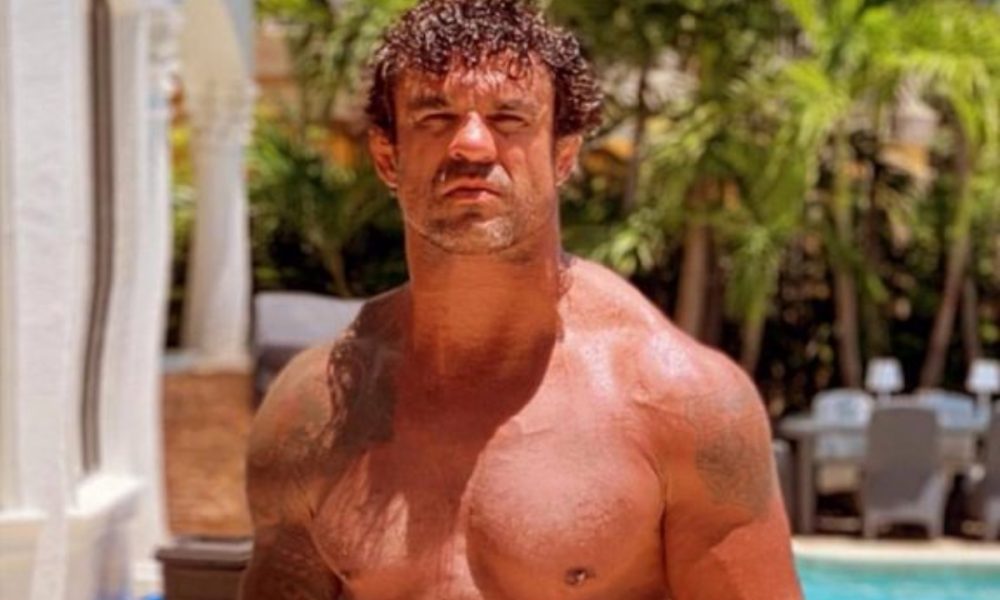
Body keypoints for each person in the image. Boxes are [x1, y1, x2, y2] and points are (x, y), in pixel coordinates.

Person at [239, 1, 801, 598]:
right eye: (435, 117)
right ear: (387, 158)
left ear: (563, 156)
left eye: (509, 118)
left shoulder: (684, 403)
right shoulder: (313, 414)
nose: (471, 145)